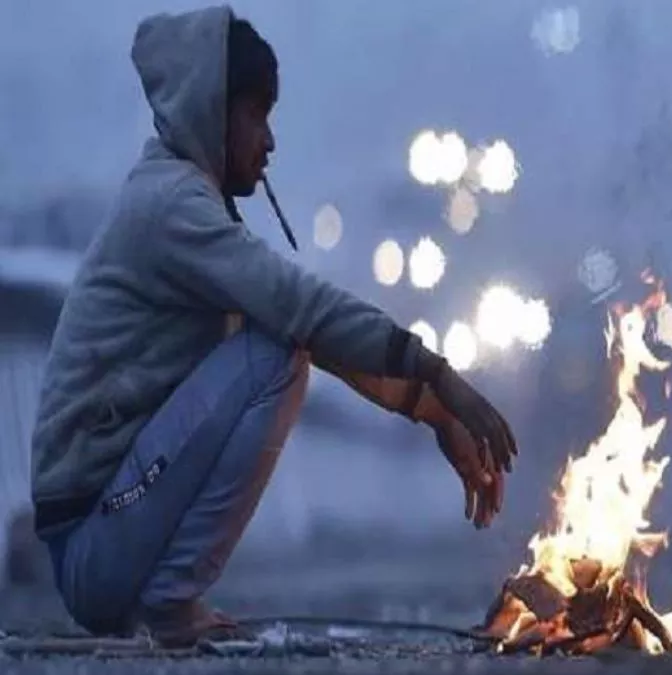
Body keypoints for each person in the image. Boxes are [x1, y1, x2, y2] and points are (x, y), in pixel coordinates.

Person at [30, 6, 518, 647]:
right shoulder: (173, 207)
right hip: (96, 546)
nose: (270, 140)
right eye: (257, 115)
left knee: (284, 344)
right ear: (211, 110)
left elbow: (319, 332)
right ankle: (169, 604)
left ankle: (164, 600)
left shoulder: (184, 201)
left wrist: (431, 411)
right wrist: (440, 374)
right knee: (276, 357)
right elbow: (305, 312)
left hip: (104, 540)